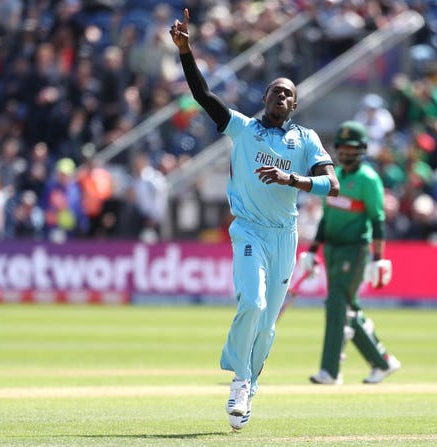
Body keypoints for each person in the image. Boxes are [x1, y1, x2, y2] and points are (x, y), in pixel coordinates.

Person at [170, 9, 340, 431]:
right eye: (274, 92)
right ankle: (240, 381)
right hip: (248, 229)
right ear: (264, 98)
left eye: (288, 94)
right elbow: (203, 96)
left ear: (295, 105)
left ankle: (253, 377)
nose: (280, 97)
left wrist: (292, 179)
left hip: (285, 236)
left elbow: (332, 186)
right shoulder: (243, 129)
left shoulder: (306, 140)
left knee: (267, 327)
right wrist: (186, 53)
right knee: (253, 301)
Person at [298, 120, 400, 386]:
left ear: (362, 150)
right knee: (349, 309)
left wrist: (378, 258)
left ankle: (330, 371)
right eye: (341, 147)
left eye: (350, 148)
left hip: (354, 250)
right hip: (331, 249)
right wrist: (312, 251)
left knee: (336, 305)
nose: (344, 153)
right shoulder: (335, 177)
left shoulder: (368, 179)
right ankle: (382, 362)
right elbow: (326, 217)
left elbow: (377, 220)